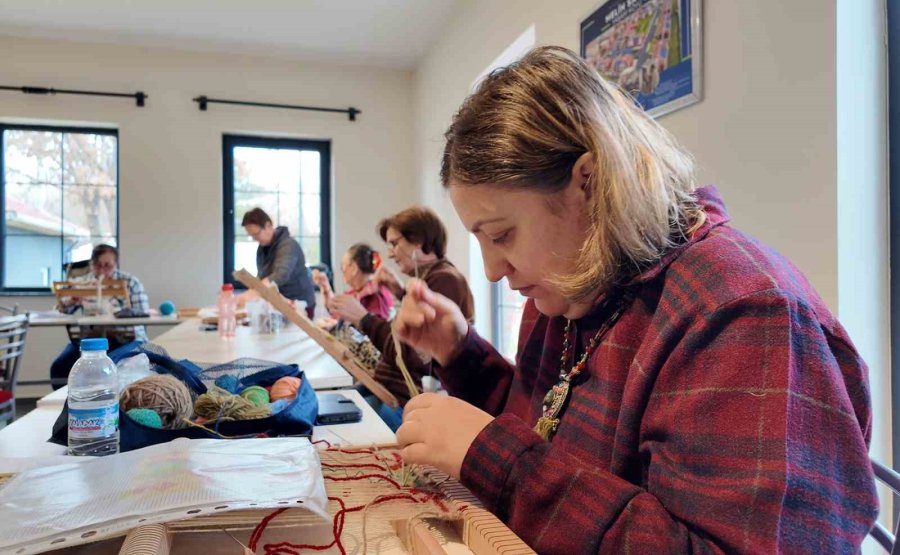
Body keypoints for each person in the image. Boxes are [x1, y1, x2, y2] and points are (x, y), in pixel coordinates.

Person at [392, 47, 878, 553]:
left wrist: (497, 460)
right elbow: (547, 429)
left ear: (590, 182)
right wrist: (460, 353)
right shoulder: (571, 289)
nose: (492, 270)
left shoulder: (742, 315)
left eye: (501, 234)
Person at [327, 207, 474, 428]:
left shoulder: (445, 280)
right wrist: (400, 292)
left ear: (418, 241)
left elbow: (413, 353)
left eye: (395, 243)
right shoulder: (435, 277)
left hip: (405, 400)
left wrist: (363, 318)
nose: (390, 253)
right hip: (390, 390)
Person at [50, 244, 149, 389]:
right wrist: (71, 300)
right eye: (97, 265)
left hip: (126, 340)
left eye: (107, 265)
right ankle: (68, 403)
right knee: (60, 367)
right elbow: (62, 311)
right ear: (91, 264)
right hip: (91, 340)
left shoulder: (130, 283)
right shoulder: (85, 283)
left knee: (112, 367)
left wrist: (120, 311)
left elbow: (142, 314)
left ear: (116, 264)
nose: (102, 270)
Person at [238, 208, 316, 317]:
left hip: (299, 304)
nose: (255, 239)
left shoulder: (288, 245)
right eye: (252, 236)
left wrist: (254, 292)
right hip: (280, 305)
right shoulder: (262, 249)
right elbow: (262, 277)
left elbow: (281, 274)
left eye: (256, 234)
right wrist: (250, 290)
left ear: (268, 225)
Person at [312, 243, 393, 321]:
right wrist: (325, 287)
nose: (342, 271)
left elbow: (374, 330)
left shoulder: (375, 295)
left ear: (354, 268)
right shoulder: (357, 292)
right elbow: (335, 310)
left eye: (343, 266)